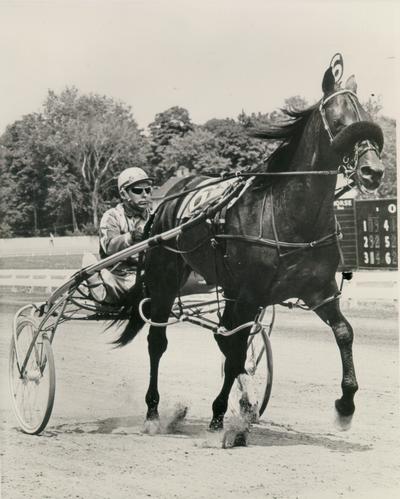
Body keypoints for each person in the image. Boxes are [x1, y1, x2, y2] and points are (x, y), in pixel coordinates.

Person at [83, 167, 153, 304]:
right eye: (138, 191)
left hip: (146, 272)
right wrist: (130, 238)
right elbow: (109, 246)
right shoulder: (112, 216)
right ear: (123, 194)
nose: (145, 194)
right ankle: (98, 287)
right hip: (118, 275)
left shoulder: (155, 217)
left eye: (148, 190)